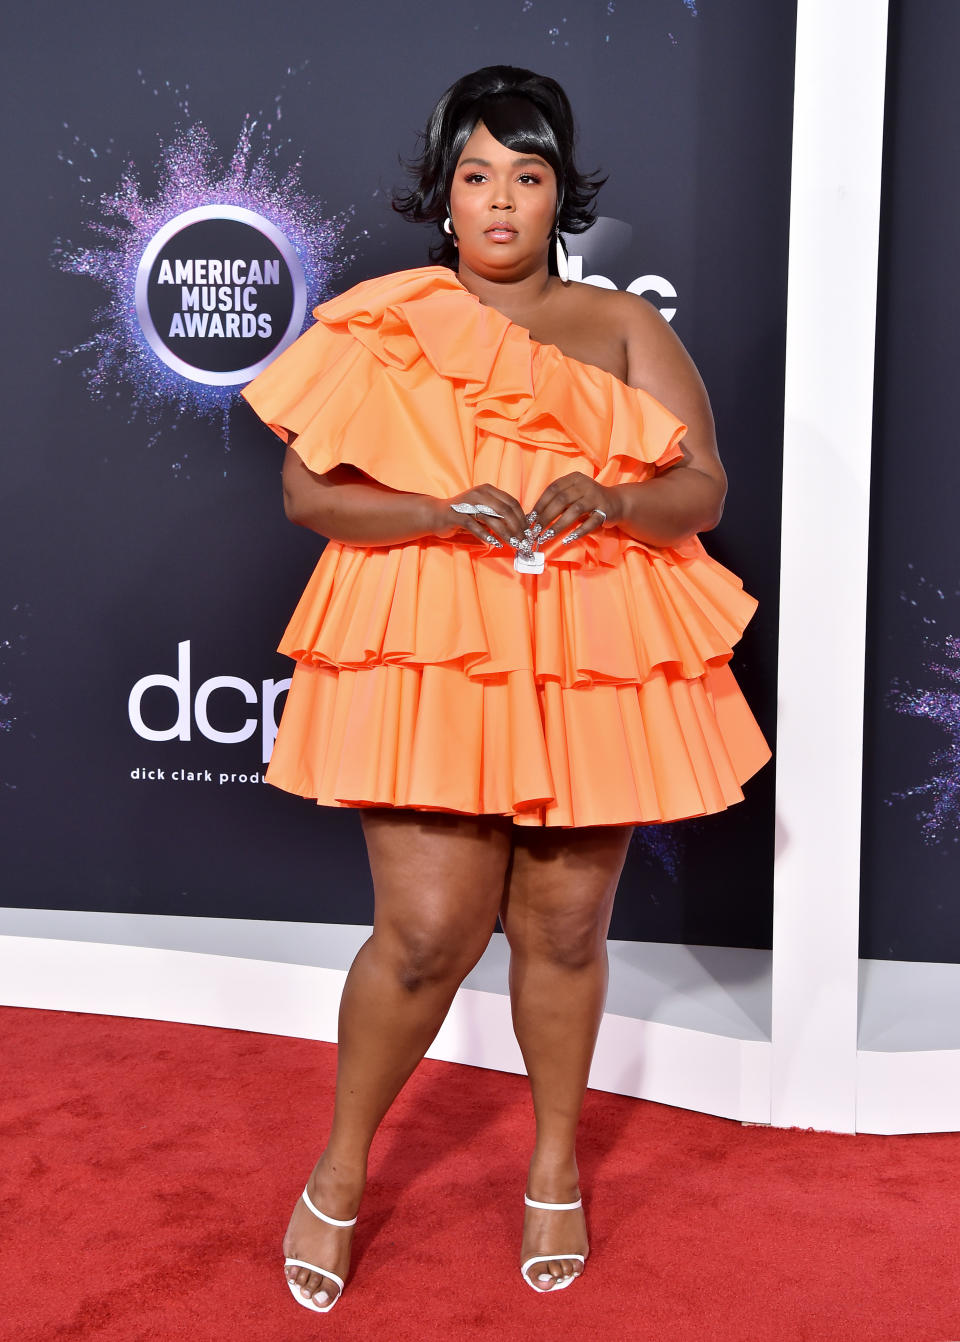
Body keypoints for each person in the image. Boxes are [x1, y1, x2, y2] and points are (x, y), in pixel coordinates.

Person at [241, 64, 770, 1314]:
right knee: (427, 933)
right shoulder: (388, 318)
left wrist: (619, 498)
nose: (499, 203)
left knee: (566, 928)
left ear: (557, 196)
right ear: (444, 191)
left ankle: (551, 1167)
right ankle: (339, 1167)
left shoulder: (627, 327)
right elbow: (311, 497)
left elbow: (704, 491)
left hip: (592, 641)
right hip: (435, 636)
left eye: (525, 178)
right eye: (476, 175)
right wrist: (439, 507)